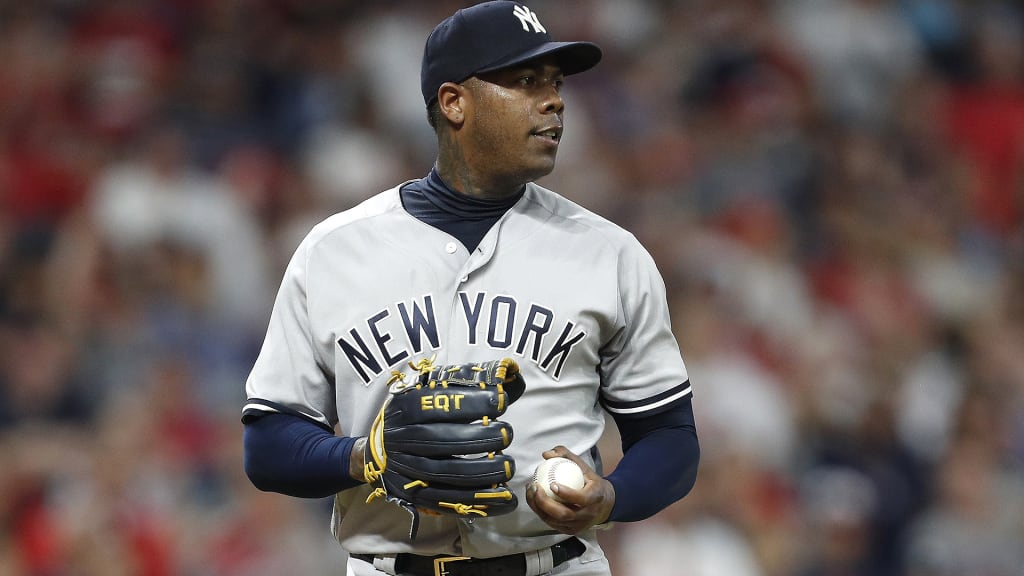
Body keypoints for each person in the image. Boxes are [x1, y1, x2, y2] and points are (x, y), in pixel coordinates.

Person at [241, 2, 700, 575]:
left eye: (555, 83)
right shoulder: (334, 250)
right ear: (454, 102)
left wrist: (611, 496)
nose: (554, 101)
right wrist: (366, 456)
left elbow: (670, 436)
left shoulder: (610, 254)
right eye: (526, 82)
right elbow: (268, 443)